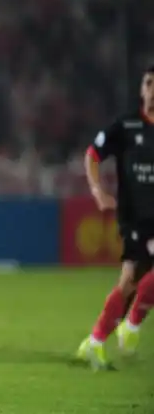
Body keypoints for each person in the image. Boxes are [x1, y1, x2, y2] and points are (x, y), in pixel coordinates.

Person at [76, 64, 154, 368]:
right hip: (136, 218)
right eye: (148, 83)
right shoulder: (126, 126)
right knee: (130, 283)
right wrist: (97, 191)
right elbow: (92, 155)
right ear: (141, 90)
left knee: (132, 285)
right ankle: (121, 331)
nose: (152, 89)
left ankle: (102, 339)